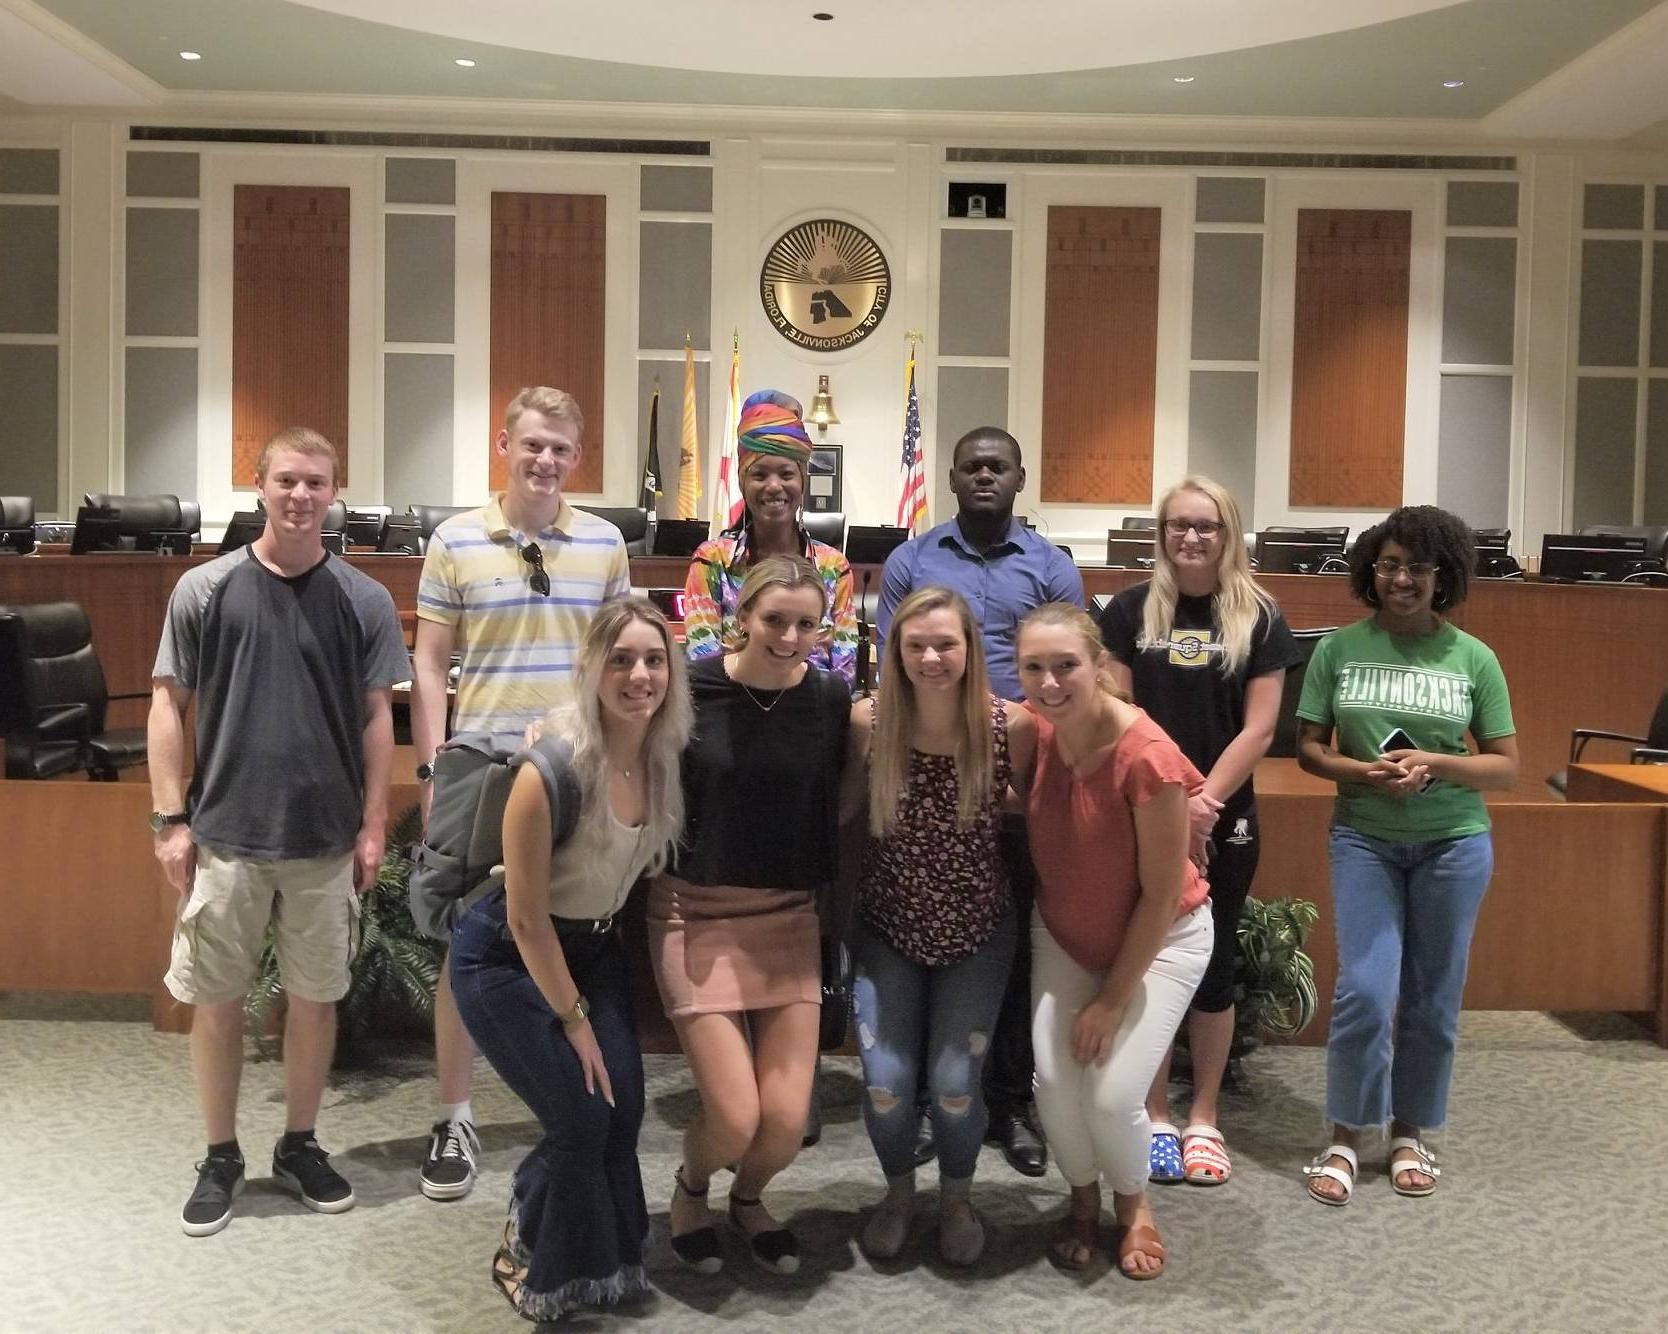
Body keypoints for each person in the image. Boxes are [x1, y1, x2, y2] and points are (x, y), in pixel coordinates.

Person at [150, 426, 409, 1237]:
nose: (301, 496)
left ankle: (299, 1146)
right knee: (219, 1002)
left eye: (317, 483)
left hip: (325, 843)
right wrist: (169, 819)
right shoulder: (205, 589)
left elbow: (377, 719)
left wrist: (373, 826)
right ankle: (221, 1153)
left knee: (314, 1000)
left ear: (336, 492)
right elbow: (167, 704)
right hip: (226, 835)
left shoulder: (362, 599)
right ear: (258, 487)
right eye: (287, 481)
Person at [410, 386, 631, 1202]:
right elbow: (430, 664)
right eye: (532, 444)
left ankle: (563, 1109)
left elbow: (616, 660)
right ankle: (456, 1115)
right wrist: (433, 766)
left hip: (576, 772)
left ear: (577, 457)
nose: (545, 461)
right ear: (505, 444)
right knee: (467, 945)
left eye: (561, 450)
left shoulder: (604, 542)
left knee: (566, 933)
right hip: (480, 773)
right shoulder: (457, 539)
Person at [449, 598, 692, 1321]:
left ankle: (600, 1253)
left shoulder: (662, 758)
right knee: (581, 1120)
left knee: (620, 1113)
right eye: (619, 660)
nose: (639, 675)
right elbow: (524, 918)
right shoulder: (549, 769)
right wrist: (575, 1020)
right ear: (589, 669)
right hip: (506, 958)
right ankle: (536, 1254)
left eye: (653, 660)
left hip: (593, 948)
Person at [1295, 505, 1517, 1206]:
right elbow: (1308, 747)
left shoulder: (1473, 657)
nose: (1402, 578)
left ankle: (1409, 1131)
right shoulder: (1338, 649)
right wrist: (1361, 772)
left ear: (1443, 576)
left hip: (1453, 843)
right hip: (1365, 837)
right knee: (1365, 989)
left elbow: (1506, 767)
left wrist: (1435, 764)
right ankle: (1345, 1133)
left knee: (1432, 997)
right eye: (1390, 564)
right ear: (1371, 570)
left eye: (1418, 567)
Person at [877, 426, 1083, 1177]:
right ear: (952, 478)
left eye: (998, 467)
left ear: (1020, 477)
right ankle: (935, 1099)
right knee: (932, 928)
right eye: (972, 468)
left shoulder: (1052, 566)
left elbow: (1074, 672)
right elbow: (890, 667)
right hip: (929, 774)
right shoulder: (914, 561)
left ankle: (1007, 1098)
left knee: (1017, 940)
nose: (985, 477)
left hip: (1021, 770)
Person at [1098, 476, 1302, 1187]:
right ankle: (1154, 1112)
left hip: (1225, 815)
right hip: (1148, 807)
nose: (1191, 537)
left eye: (1206, 526)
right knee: (1149, 955)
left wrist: (1203, 801)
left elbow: (1263, 727)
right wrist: (1173, 799)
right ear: (1161, 534)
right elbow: (1121, 713)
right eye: (1178, 525)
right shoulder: (1127, 612)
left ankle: (1204, 1116)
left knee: (1213, 965)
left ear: (1229, 534)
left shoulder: (1261, 617)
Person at [649, 555, 850, 1275]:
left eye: (804, 623)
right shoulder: (690, 688)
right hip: (693, 911)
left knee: (786, 1124)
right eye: (774, 620)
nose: (789, 636)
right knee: (734, 1116)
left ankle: (749, 1200)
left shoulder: (831, 700)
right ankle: (693, 1188)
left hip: (788, 917)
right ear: (742, 619)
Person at [1015, 603, 1213, 1279]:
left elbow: (1160, 898)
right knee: (1052, 1082)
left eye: (1066, 665)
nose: (1048, 683)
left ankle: (1133, 1208)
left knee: (1110, 1094)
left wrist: (1109, 1002)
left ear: (1100, 667)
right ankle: (1080, 1200)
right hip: (1066, 934)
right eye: (1033, 667)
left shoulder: (1146, 756)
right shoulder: (1034, 730)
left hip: (1162, 939)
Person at [845, 587, 1037, 1266]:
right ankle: (899, 1195)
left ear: (970, 649)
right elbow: (836, 817)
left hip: (978, 928)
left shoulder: (1011, 725)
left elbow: (1043, 819)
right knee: (887, 1084)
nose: (930, 656)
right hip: (888, 927)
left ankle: (956, 1198)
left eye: (945, 644)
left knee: (955, 1089)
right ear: (895, 650)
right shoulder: (868, 721)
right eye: (915, 644)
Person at [682, 389, 857, 688]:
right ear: (742, 483)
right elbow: (703, 669)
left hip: (813, 716)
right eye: (760, 475)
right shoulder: (711, 562)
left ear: (803, 481)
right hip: (731, 714)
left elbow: (844, 673)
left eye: (787, 474)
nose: (774, 486)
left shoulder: (832, 567)